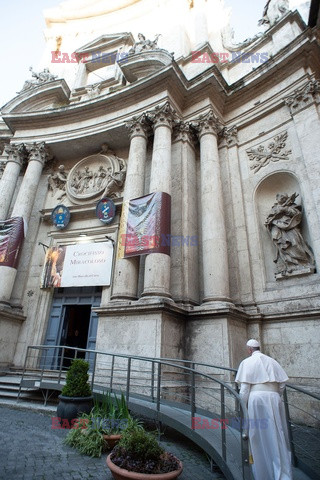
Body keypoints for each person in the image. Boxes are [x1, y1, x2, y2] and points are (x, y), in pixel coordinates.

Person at [235, 339, 293, 480]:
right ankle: (283, 474)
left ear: (249, 349)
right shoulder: (273, 361)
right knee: (278, 431)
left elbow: (244, 390)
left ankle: (263, 473)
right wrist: (274, 396)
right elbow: (282, 386)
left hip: (256, 399)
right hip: (274, 398)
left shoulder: (247, 362)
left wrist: (241, 406)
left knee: (257, 434)